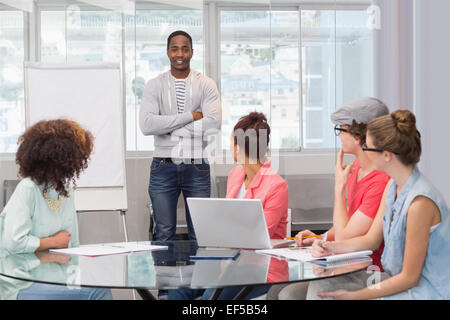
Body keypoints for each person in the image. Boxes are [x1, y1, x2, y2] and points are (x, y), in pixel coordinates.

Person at [306, 110, 450, 299]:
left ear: (387, 155)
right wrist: (330, 247)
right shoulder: (392, 186)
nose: (362, 151)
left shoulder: (419, 204)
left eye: (367, 147)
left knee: (326, 290)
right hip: (397, 281)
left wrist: (357, 296)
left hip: (424, 291)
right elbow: (371, 241)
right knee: (317, 287)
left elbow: (409, 278)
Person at [275, 97, 390, 300]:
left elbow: (347, 237)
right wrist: (320, 239)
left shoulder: (380, 180)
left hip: (370, 271)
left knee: (314, 292)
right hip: (345, 263)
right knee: (284, 294)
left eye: (341, 130)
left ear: (358, 137)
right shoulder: (355, 170)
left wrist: (339, 188)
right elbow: (346, 225)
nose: (339, 136)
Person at [168, 112, 289, 300]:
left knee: (210, 297)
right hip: (226, 261)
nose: (229, 147)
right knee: (178, 288)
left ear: (239, 148)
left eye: (231, 142)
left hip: (261, 270)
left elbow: (256, 237)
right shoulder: (236, 175)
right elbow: (226, 222)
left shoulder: (276, 186)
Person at [0, 119, 111, 300]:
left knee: (98, 286)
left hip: (56, 276)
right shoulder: (28, 188)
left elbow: (72, 244)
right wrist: (52, 242)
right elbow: (14, 243)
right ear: (62, 158)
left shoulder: (65, 190)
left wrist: (80, 278)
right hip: (22, 282)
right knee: (98, 292)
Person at [139, 30, 221, 242]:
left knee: (200, 234)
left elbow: (213, 122)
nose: (180, 53)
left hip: (197, 165)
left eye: (185, 48)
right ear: (167, 52)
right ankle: (164, 276)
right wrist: (191, 116)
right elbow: (147, 125)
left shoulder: (206, 84)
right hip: (162, 166)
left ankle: (200, 276)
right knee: (164, 233)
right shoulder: (154, 85)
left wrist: (168, 128)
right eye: (175, 48)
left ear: (192, 52)